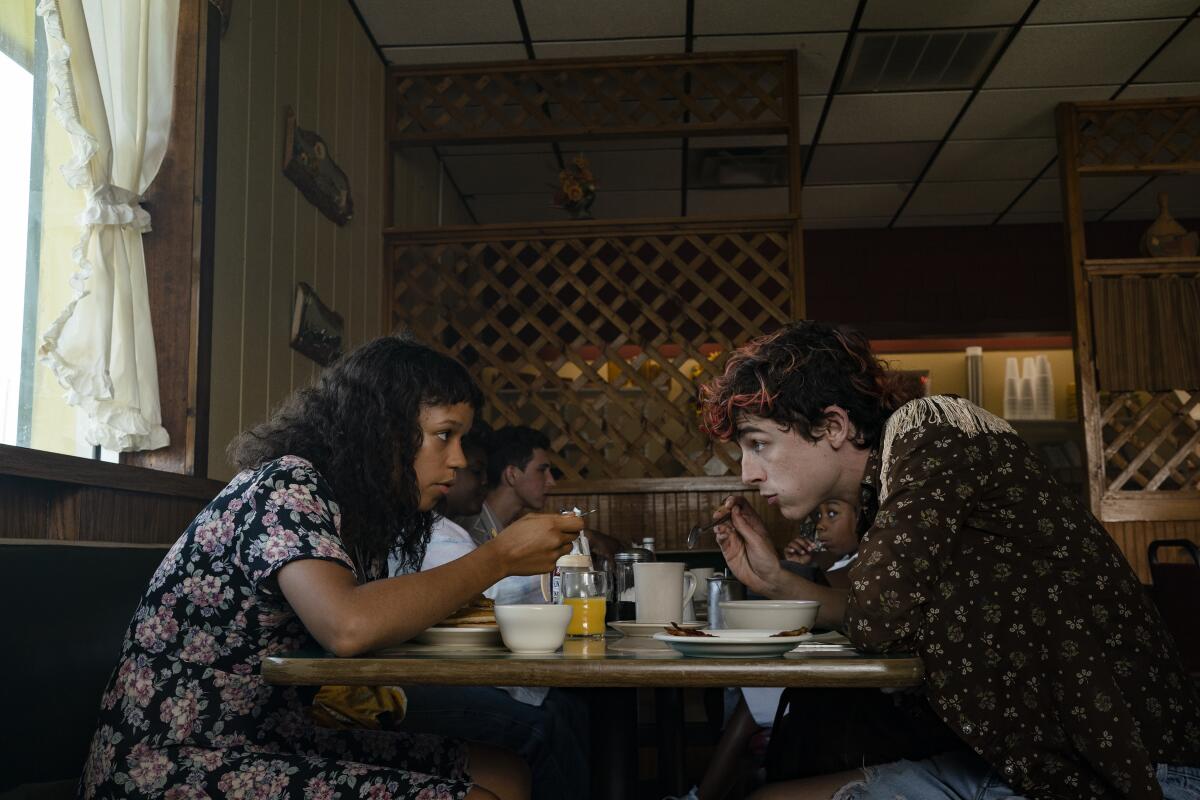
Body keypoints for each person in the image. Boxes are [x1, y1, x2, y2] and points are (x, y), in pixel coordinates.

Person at [698, 321, 1200, 800]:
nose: (748, 474)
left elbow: (877, 620)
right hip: (1035, 760)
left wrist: (787, 585)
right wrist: (777, 581)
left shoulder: (928, 428)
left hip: (1130, 771)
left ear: (833, 426)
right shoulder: (882, 493)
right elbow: (881, 615)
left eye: (759, 444)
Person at [79, 336, 583, 800]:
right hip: (179, 760)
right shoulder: (287, 486)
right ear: (382, 430)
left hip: (282, 737)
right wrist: (498, 558)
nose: (457, 460)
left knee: (507, 773)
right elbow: (347, 626)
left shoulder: (356, 510)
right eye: (444, 436)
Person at [389, 424, 589, 800]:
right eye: (444, 436)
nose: (460, 463)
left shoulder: (439, 526)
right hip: (400, 682)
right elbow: (493, 596)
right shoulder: (436, 533)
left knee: (569, 706)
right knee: (543, 724)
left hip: (432, 667)